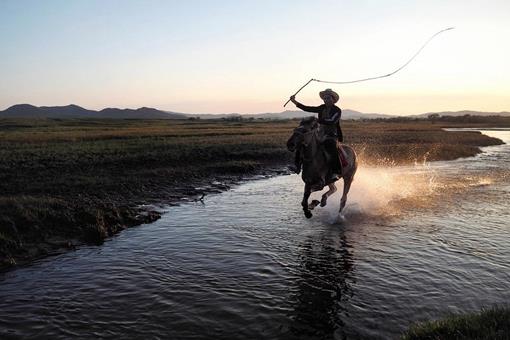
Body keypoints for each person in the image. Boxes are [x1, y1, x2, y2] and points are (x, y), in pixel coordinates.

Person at [289, 88, 343, 177]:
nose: (326, 100)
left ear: (333, 99)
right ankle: (297, 166)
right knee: (303, 142)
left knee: (332, 146)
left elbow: (332, 121)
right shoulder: (321, 107)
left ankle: (336, 171)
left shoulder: (337, 110)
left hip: (332, 134)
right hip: (319, 133)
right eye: (325, 98)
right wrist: (294, 101)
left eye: (328, 98)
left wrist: (318, 120)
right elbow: (308, 108)